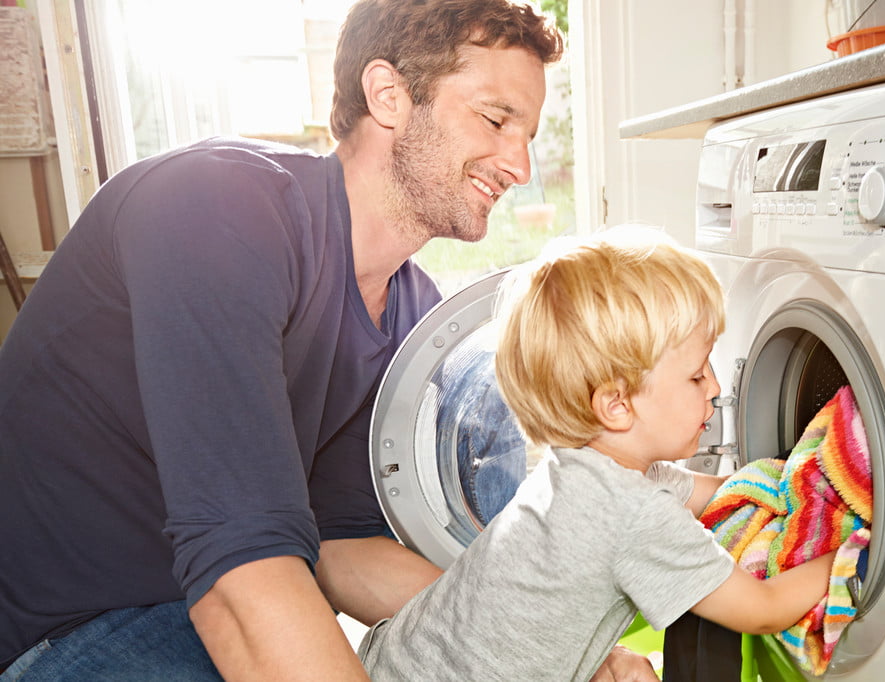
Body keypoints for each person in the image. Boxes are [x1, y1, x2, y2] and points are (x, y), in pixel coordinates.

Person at [0, 1, 568, 680]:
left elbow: (341, 543)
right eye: (497, 120)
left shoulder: (413, 309)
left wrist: (551, 650)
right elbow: (239, 575)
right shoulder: (215, 209)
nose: (521, 165)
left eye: (527, 134)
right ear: (389, 96)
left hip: (204, 599)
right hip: (64, 628)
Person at [357, 226, 837, 681]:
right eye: (695, 375)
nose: (714, 387)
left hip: (395, 657)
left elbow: (727, 492)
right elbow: (762, 609)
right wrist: (851, 552)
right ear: (616, 406)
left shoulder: (584, 472)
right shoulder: (633, 514)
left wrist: (801, 478)